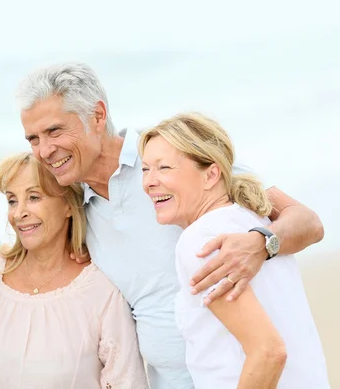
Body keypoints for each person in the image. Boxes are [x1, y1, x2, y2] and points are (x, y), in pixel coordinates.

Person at [16, 62, 324, 388]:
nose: (44, 150)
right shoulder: (75, 208)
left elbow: (308, 222)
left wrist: (262, 243)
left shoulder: (172, 160)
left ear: (97, 116)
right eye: (33, 139)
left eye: (54, 131)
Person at [139, 112, 329, 388]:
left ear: (211, 174)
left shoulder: (200, 241)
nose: (149, 182)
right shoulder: (259, 219)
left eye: (164, 168)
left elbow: (269, 352)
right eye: (145, 169)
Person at [0, 152, 148, 388]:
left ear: (68, 204)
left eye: (34, 197)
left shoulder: (101, 289)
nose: (19, 213)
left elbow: (126, 381)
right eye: (12, 200)